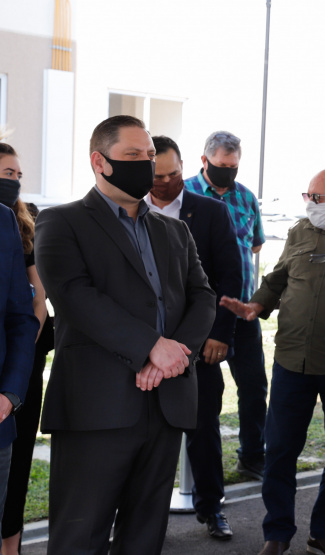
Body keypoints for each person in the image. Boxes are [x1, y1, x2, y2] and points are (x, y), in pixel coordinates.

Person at [34, 115, 215, 555]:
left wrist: (176, 355)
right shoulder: (61, 222)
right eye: (133, 155)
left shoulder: (174, 230)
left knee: (145, 536)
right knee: (81, 536)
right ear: (100, 161)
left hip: (167, 401)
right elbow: (76, 298)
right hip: (97, 407)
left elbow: (202, 296)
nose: (146, 165)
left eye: (150, 156)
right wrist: (152, 347)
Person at [222, 167, 325, 555]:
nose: (309, 204)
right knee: (280, 450)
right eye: (308, 196)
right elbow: (278, 278)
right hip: (291, 360)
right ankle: (277, 533)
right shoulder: (300, 231)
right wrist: (256, 305)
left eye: (316, 198)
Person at [146, 135, 243, 540]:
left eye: (174, 173)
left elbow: (230, 274)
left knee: (203, 433)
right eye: (158, 176)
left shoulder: (210, 211)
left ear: (185, 166)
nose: (168, 182)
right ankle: (143, 519)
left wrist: (219, 334)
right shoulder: (125, 211)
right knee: (145, 440)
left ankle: (211, 509)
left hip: (199, 346)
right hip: (143, 349)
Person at [185, 131, 268, 480]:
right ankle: (204, 477)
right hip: (200, 312)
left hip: (242, 311)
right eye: (221, 166)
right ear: (204, 161)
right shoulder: (184, 194)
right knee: (205, 397)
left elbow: (256, 245)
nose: (227, 173)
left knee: (253, 387)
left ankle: (251, 457)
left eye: (233, 167)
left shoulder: (246, 197)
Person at [0, 143, 50, 555]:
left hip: (19, 366)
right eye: (6, 173)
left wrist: (17, 365)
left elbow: (35, 300)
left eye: (17, 175)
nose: (13, 182)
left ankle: (11, 545)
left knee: (18, 462)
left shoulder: (20, 220)